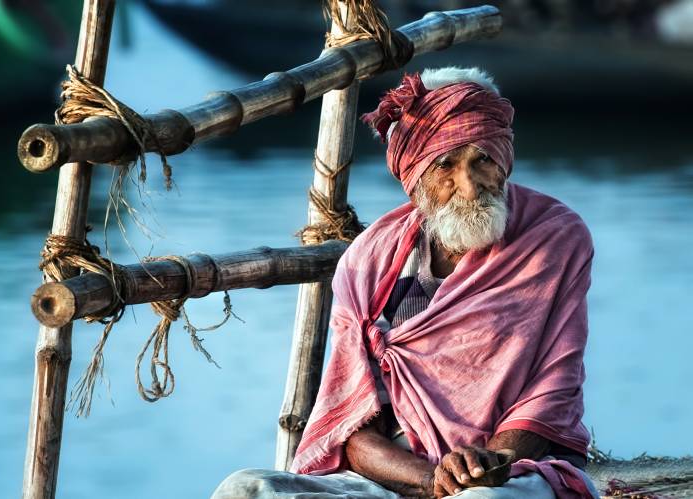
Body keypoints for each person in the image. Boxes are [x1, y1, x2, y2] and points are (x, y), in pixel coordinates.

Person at [212, 67, 600, 498]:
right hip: (399, 476)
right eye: (446, 166)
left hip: (513, 468)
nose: (469, 187)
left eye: (482, 160)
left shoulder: (554, 236)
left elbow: (554, 386)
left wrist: (486, 467)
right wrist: (431, 480)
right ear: (414, 181)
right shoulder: (371, 258)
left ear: (504, 159)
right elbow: (353, 426)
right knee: (245, 489)